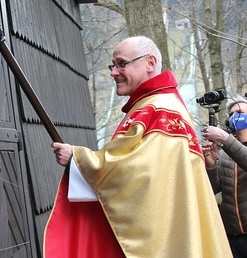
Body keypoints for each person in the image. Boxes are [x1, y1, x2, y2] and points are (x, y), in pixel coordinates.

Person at [44, 36, 231, 257]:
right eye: (113, 65)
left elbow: (143, 174)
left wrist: (78, 159)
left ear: (150, 63)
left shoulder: (161, 108)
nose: (114, 72)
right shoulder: (152, 104)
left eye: (122, 63)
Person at [202, 96, 247, 258]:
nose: (236, 117)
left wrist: (225, 139)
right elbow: (213, 189)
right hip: (230, 237)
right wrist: (211, 164)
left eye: (240, 113)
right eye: (232, 114)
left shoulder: (228, 146)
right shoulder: (225, 153)